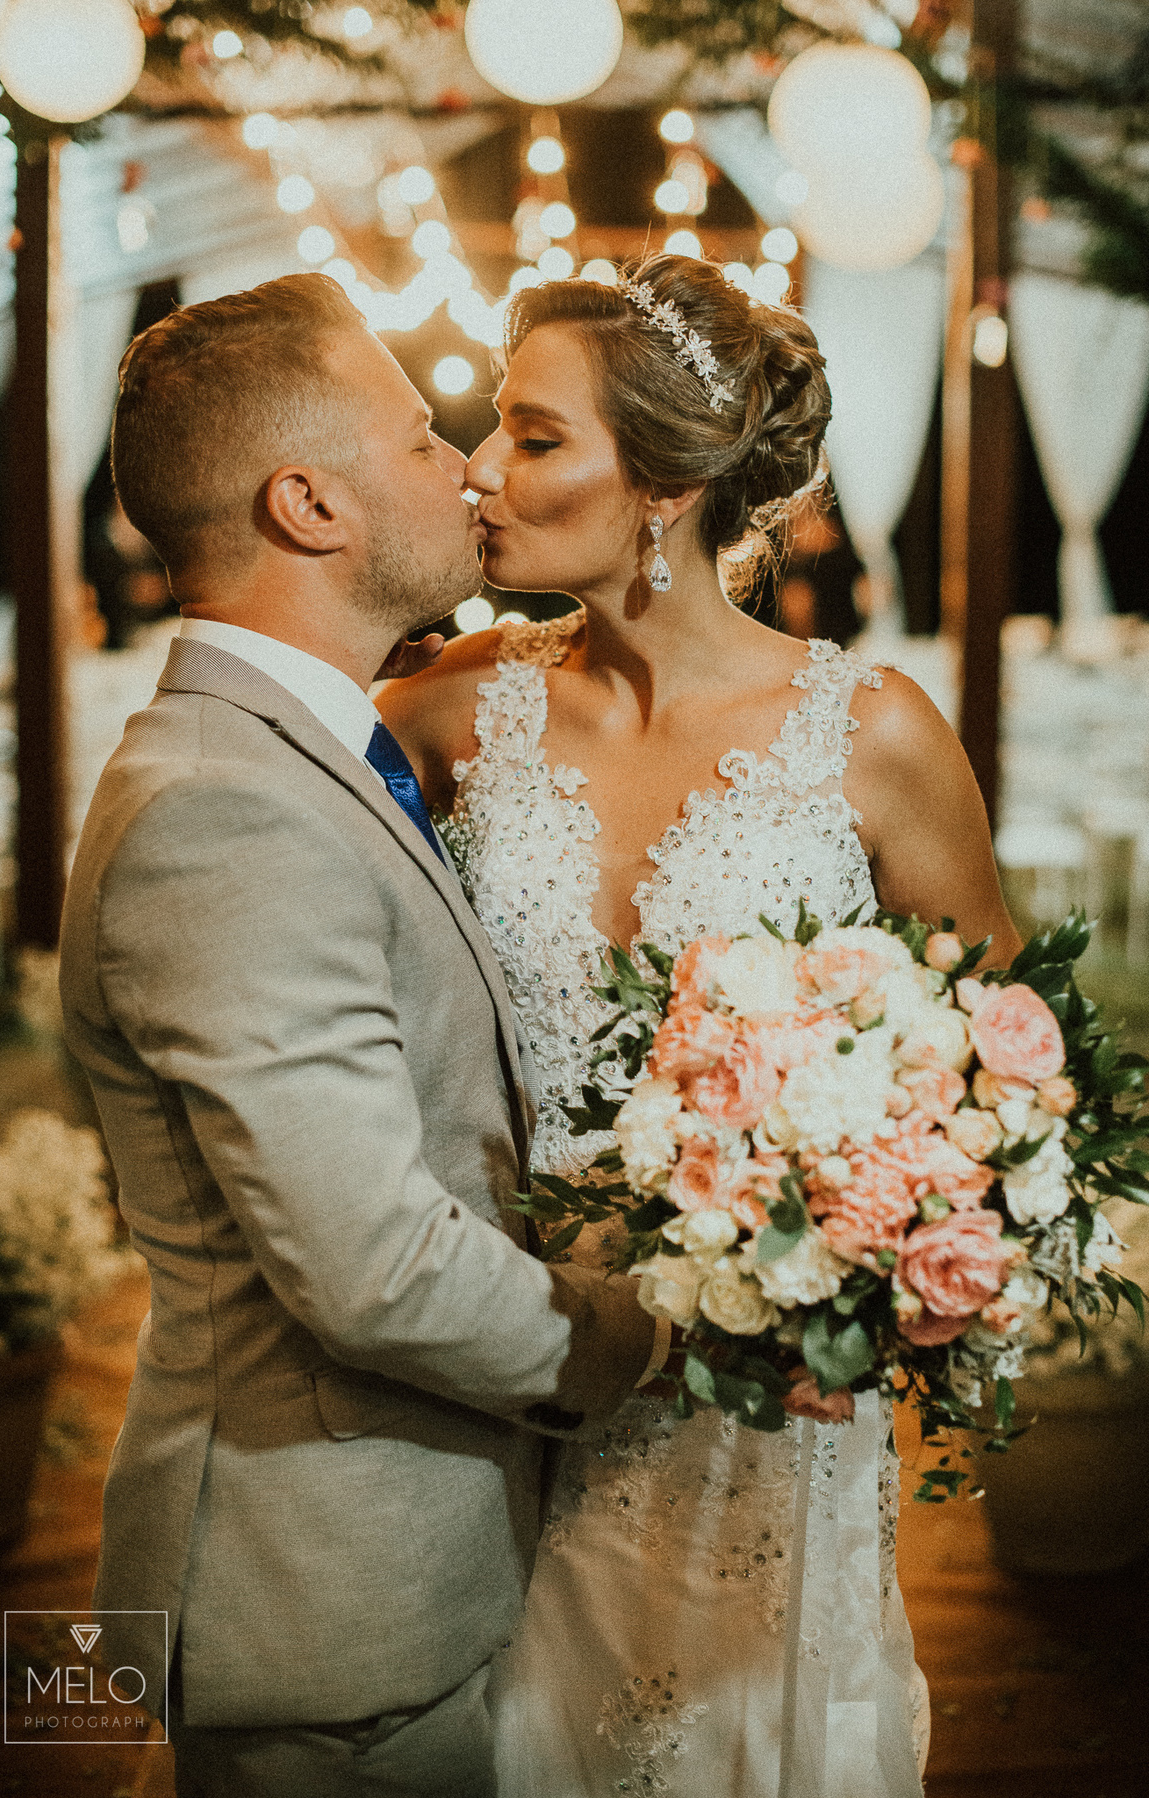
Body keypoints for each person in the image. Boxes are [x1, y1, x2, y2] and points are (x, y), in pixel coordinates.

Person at [379, 254, 1024, 1798]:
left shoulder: (872, 737)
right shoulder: (455, 712)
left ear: (664, 487)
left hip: (766, 1409)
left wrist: (860, 1265)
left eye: (535, 436)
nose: (481, 468)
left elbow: (1002, 1076)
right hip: (504, 1367)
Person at [58, 273, 667, 1798]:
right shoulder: (223, 807)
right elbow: (372, 1263)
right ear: (309, 503)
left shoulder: (318, 752)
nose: (467, 466)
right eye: (419, 437)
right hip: (327, 1606)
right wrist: (654, 1336)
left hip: (406, 1568)